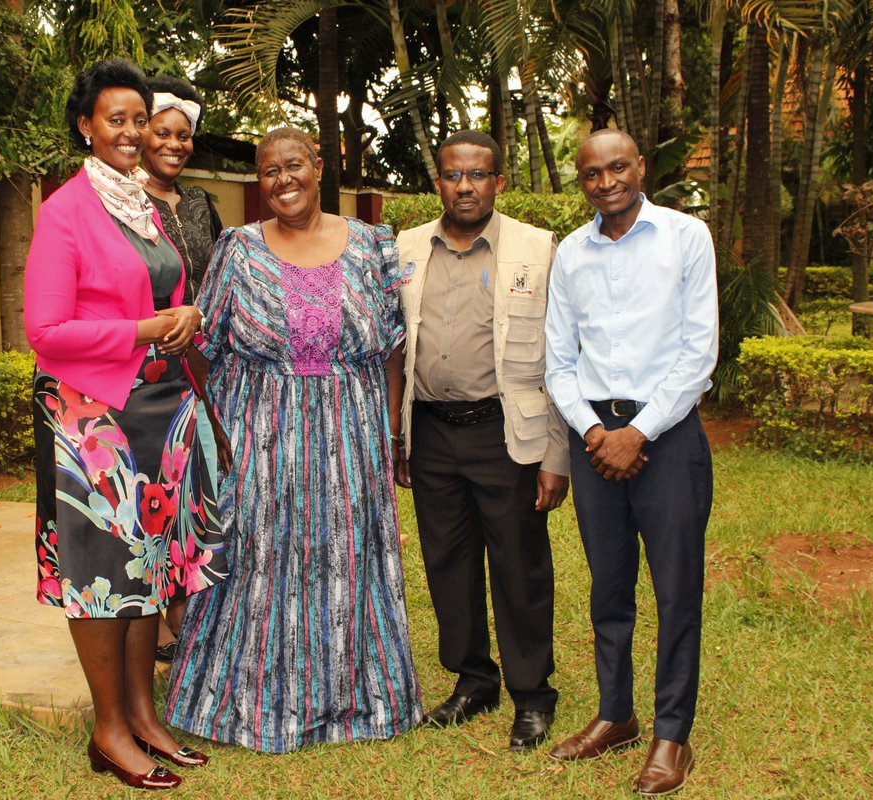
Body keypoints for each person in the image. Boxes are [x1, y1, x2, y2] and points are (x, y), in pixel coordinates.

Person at [164, 126, 423, 753]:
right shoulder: (238, 250)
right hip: (261, 434)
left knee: (348, 558)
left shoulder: (372, 245)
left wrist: (389, 433)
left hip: (352, 434)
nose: (283, 180)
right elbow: (205, 348)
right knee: (259, 559)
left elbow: (392, 347)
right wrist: (218, 433)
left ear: (318, 166)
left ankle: (358, 701)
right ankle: (246, 706)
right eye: (269, 170)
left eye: (294, 165)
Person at [23, 58, 227, 792]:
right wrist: (144, 328)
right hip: (90, 418)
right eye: (118, 119)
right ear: (86, 125)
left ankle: (143, 715)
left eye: (140, 119)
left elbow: (171, 286)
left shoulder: (142, 207)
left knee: (151, 566)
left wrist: (187, 315)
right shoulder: (66, 211)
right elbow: (45, 330)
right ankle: (107, 730)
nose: (133, 132)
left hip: (159, 410)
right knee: (103, 578)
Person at [543, 128, 717, 797]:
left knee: (676, 592)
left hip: (666, 436)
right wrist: (595, 430)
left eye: (619, 167)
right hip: (594, 440)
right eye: (592, 173)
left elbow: (698, 353)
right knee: (608, 588)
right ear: (580, 180)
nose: (607, 181)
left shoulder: (684, 237)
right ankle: (615, 714)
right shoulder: (572, 253)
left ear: (640, 167)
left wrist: (636, 432)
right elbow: (558, 359)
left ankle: (672, 735)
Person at [393, 130, 569, 751]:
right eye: (451, 174)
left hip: (507, 435)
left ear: (499, 181)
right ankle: (473, 679)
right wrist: (398, 438)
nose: (464, 186)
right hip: (432, 433)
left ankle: (531, 692)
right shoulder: (405, 248)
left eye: (477, 174)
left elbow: (560, 356)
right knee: (448, 563)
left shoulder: (538, 248)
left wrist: (556, 454)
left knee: (519, 565)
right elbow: (393, 348)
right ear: (437, 180)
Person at [140, 74, 224, 664]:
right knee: (153, 489)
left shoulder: (199, 204)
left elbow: (218, 277)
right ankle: (154, 617)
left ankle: (183, 609)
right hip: (147, 364)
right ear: (141, 133)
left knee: (197, 485)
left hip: (204, 358)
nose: (175, 144)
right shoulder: (122, 200)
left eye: (184, 135)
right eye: (163, 132)